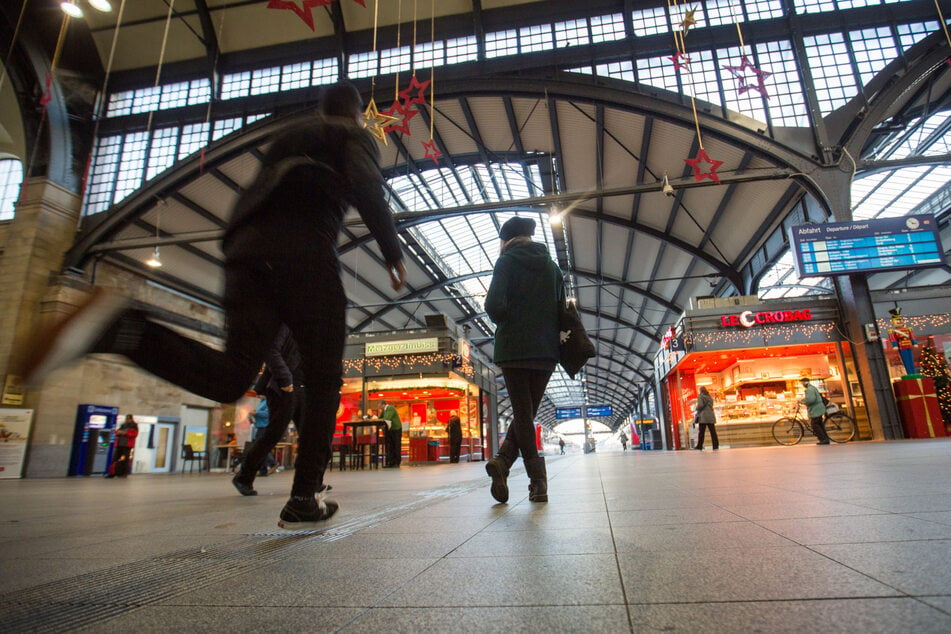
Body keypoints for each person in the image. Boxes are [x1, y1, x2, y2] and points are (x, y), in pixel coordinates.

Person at [23, 81, 407, 528]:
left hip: (243, 256)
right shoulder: (353, 135)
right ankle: (304, 495)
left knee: (232, 374)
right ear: (357, 114)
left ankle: (125, 331)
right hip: (304, 253)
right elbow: (366, 184)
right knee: (322, 380)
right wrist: (391, 250)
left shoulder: (288, 136)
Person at [484, 216, 563, 504]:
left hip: (514, 349)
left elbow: (493, 305)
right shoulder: (552, 268)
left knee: (522, 413)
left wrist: (508, 319)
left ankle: (536, 480)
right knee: (525, 414)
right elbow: (561, 307)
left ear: (506, 240)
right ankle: (504, 463)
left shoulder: (505, 262)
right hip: (545, 351)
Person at [232, 325, 303, 496]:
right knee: (273, 434)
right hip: (285, 388)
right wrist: (285, 379)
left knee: (310, 435)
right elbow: (271, 350)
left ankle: (313, 482)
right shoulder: (286, 323)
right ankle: (244, 476)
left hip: (302, 388)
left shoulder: (310, 327)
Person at [800, 377, 830, 445]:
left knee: (815, 424)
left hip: (816, 409)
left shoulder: (809, 389)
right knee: (819, 424)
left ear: (805, 382)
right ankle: (825, 439)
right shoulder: (811, 388)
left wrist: (802, 401)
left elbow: (811, 400)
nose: (802, 384)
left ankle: (823, 439)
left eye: (802, 383)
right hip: (818, 408)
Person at [378, 398, 402, 468]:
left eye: (379, 406)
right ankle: (391, 462)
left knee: (396, 445)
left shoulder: (390, 408)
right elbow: (381, 417)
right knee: (390, 446)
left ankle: (397, 462)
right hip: (390, 429)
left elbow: (387, 418)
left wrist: (379, 419)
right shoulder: (384, 410)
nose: (379, 407)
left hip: (396, 429)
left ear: (383, 404)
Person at [693, 386, 719, 450]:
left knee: (701, 432)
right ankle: (715, 445)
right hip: (710, 416)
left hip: (703, 417)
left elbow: (700, 405)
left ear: (700, 391)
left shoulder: (701, 397)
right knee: (713, 432)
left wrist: (695, 408)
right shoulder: (709, 397)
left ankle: (699, 445)